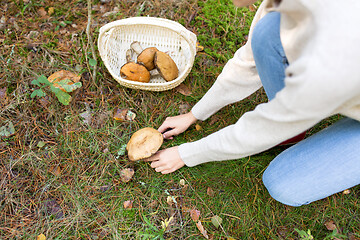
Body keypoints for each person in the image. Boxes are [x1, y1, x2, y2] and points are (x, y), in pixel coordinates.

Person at [146, 0, 360, 207]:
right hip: (339, 84)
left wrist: (186, 154)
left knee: (282, 184)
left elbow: (265, 128)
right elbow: (247, 63)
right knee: (268, 31)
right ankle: (296, 132)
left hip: (343, 75)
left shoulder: (340, 43)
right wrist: (195, 114)